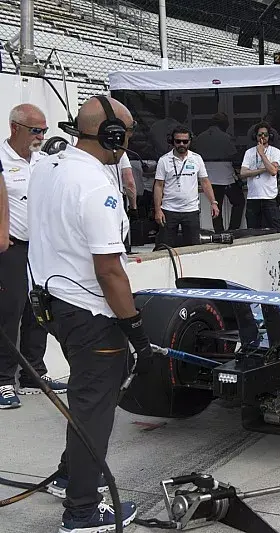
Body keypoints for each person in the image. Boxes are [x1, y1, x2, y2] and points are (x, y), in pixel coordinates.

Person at [27, 95, 146, 531]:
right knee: (95, 407)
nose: (129, 140)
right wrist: (135, 329)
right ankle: (81, 512)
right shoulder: (96, 186)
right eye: (127, 133)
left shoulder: (47, 166)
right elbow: (110, 270)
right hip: (88, 313)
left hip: (50, 305)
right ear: (113, 136)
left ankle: (69, 474)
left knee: (87, 399)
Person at [0, 104, 67, 410]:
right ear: (15, 127)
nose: (41, 136)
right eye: (35, 130)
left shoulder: (44, 161)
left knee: (39, 312)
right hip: (11, 248)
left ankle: (33, 375)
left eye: (44, 130)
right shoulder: (2, 160)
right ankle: (3, 379)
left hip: (40, 247)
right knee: (9, 313)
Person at [154, 126, 219, 247]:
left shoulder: (196, 158)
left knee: (193, 248)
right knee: (164, 248)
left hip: (191, 210)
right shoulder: (164, 160)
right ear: (172, 142)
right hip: (169, 209)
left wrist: (213, 202)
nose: (181, 144)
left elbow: (204, 181)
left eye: (185, 141)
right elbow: (158, 186)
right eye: (178, 141)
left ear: (190, 141)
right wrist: (158, 210)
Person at [192, 112, 245, 232]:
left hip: (208, 176)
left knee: (215, 205)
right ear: (224, 124)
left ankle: (219, 231)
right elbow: (233, 155)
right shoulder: (226, 137)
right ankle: (233, 229)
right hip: (225, 175)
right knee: (239, 202)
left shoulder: (200, 137)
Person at [240, 122, 280, 231]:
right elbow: (243, 173)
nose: (263, 137)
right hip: (253, 198)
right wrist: (264, 169)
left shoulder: (275, 152)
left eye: (265, 134)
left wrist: (262, 154)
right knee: (253, 231)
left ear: (270, 136)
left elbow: (273, 171)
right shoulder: (249, 153)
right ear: (255, 136)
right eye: (260, 135)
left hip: (269, 197)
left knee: (275, 230)